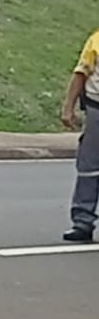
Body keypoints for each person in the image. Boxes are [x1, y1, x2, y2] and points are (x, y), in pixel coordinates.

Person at [59, 31, 99, 241]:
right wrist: (68, 108)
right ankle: (83, 221)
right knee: (89, 167)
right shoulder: (97, 40)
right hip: (96, 109)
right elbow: (81, 74)